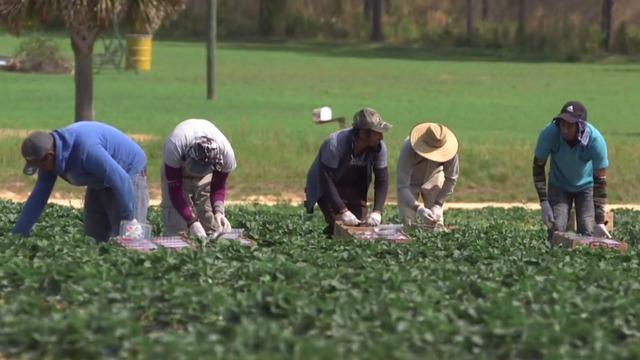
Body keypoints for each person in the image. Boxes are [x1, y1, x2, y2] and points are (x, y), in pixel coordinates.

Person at [13, 122, 149, 243]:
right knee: (93, 238)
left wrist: (129, 219)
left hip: (128, 173)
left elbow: (121, 180)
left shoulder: (87, 150)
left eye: (40, 165)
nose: (40, 170)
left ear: (50, 155)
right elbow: (38, 197)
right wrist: (18, 235)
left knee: (128, 238)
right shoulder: (48, 160)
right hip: (99, 180)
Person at [305, 107, 391, 237]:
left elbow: (382, 179)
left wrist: (377, 211)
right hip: (326, 186)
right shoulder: (334, 144)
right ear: (363, 133)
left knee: (360, 227)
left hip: (354, 187)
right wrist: (343, 211)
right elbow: (326, 180)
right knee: (339, 225)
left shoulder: (379, 147)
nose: (381, 136)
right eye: (377, 132)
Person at [533, 100, 611, 240]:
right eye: (563, 123)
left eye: (570, 125)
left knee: (588, 229)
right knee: (557, 229)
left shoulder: (595, 141)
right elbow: (538, 167)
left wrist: (599, 221)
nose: (565, 129)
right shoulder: (549, 134)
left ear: (580, 126)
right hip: (558, 185)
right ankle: (554, 260)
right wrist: (544, 202)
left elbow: (600, 181)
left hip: (586, 186)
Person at [161, 119, 236, 239]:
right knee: (176, 223)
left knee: (209, 219)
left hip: (207, 172)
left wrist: (219, 212)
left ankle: (210, 250)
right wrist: (192, 222)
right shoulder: (174, 147)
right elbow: (175, 189)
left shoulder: (226, 156)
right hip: (178, 170)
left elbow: (218, 186)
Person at [397, 122, 459, 227]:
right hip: (411, 181)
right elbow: (402, 187)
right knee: (407, 222)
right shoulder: (408, 148)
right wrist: (419, 209)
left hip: (434, 176)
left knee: (436, 223)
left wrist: (438, 204)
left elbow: (451, 179)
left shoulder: (450, 151)